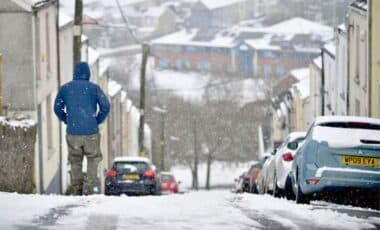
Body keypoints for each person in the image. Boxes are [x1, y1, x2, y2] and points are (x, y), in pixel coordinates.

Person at [54, 62, 110, 195]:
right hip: (91, 132)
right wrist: (97, 120)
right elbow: (106, 106)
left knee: (75, 159)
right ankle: (88, 188)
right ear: (88, 74)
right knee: (93, 158)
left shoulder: (65, 88)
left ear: (75, 73)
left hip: (73, 132)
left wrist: (67, 119)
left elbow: (57, 108)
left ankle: (77, 188)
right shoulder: (94, 88)